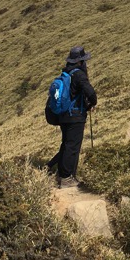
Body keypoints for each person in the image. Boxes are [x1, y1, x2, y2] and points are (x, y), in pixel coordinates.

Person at [46, 46, 98, 188]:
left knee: (66, 144)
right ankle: (66, 178)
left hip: (64, 116)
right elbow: (91, 93)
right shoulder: (79, 75)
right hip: (75, 116)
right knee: (72, 147)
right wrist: (92, 103)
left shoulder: (65, 73)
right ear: (80, 62)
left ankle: (61, 174)